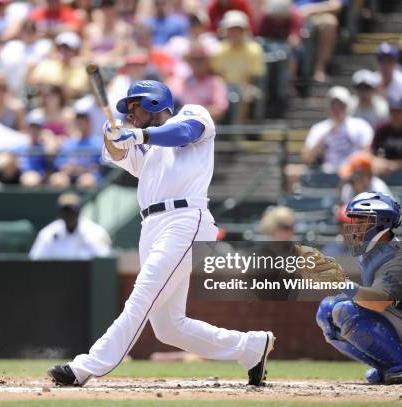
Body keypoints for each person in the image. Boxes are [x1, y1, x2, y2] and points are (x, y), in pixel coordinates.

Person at [47, 80, 274, 387]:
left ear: (154, 102)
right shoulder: (149, 150)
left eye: (135, 106)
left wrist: (138, 134)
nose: (131, 114)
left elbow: (183, 134)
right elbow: (118, 153)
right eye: (128, 110)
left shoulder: (193, 114)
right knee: (169, 327)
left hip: (185, 218)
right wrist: (111, 135)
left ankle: (86, 367)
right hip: (151, 227)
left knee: (141, 296)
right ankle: (251, 347)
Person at [316, 192, 402, 384]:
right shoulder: (374, 251)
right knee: (327, 309)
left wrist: (341, 283)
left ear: (382, 223)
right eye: (354, 220)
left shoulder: (398, 259)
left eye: (362, 221)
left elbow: (378, 302)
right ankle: (388, 365)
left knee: (346, 310)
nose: (354, 226)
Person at [302, 86, 373, 173]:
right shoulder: (319, 128)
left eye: (340, 105)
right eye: (333, 105)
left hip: (354, 174)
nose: (337, 109)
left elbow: (368, 153)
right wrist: (324, 137)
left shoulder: (361, 126)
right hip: (327, 175)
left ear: (347, 106)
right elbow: (307, 158)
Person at [211, 10, 264, 124]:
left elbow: (253, 76)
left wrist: (244, 88)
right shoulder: (220, 49)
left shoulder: (254, 49)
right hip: (224, 87)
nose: (235, 33)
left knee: (245, 95)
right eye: (231, 30)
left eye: (238, 30)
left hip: (246, 86)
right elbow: (218, 75)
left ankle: (240, 130)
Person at [29, 192, 111, 260]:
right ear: (60, 214)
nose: (69, 215)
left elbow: (104, 260)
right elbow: (36, 260)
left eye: (72, 212)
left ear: (78, 212)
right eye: (66, 212)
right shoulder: (49, 233)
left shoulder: (94, 231)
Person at [167, 44, 228, 123]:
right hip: (178, 124)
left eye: (201, 59)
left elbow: (219, 110)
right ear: (189, 61)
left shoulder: (216, 82)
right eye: (194, 59)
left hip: (205, 125)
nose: (197, 63)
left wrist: (193, 115)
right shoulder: (178, 81)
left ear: (207, 61)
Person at [294, 0, 344, 83]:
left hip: (318, 14)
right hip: (292, 14)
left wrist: (309, 10)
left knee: (330, 22)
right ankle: (290, 78)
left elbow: (336, 5)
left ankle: (319, 69)